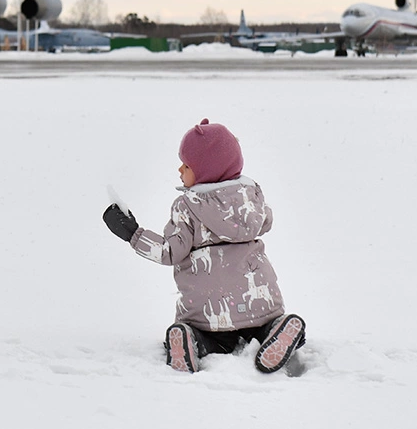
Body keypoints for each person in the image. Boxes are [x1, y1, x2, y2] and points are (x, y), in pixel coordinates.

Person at [102, 118, 305, 374]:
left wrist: (133, 234)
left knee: (206, 337)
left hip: (208, 314)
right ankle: (277, 330)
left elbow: (170, 252)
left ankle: (190, 339)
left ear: (205, 171)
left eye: (186, 165)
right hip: (259, 306)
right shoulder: (251, 198)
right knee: (263, 326)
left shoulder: (186, 206)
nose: (179, 170)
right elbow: (266, 221)